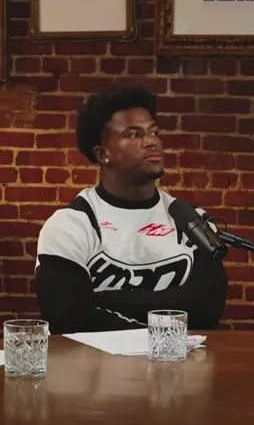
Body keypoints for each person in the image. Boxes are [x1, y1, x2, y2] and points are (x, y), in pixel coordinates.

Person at [34, 84, 228, 334]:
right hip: (95, 361)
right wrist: (169, 313)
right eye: (134, 135)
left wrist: (104, 300)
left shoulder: (192, 221)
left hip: (178, 359)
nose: (152, 142)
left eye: (154, 132)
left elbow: (207, 307)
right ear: (103, 154)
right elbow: (69, 318)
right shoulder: (70, 225)